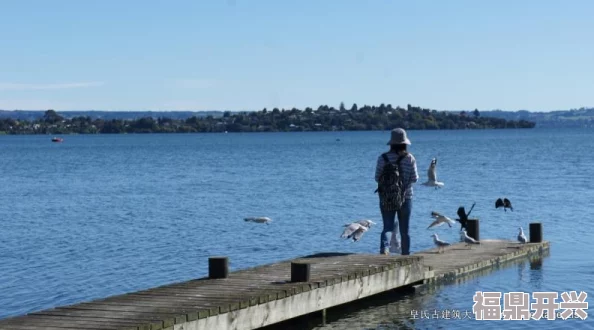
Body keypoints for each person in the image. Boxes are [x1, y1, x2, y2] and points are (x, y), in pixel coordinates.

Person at [375, 128, 419, 255]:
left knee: (387, 227)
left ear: (391, 143)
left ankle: (384, 250)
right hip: (406, 197)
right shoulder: (410, 158)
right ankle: (405, 254)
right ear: (405, 143)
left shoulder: (382, 158)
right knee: (405, 230)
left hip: (386, 197)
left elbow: (377, 177)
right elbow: (415, 179)